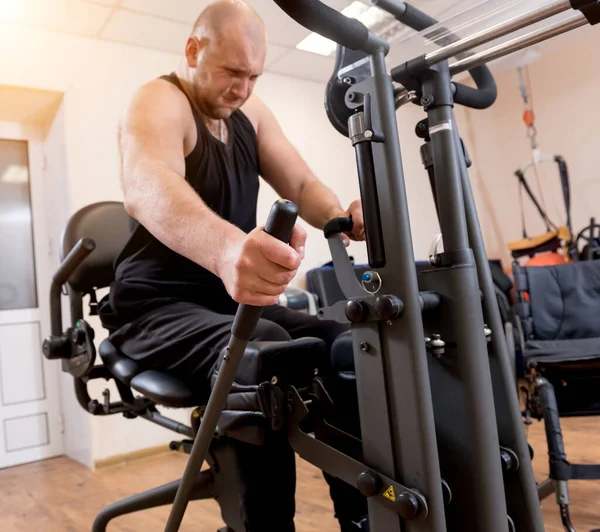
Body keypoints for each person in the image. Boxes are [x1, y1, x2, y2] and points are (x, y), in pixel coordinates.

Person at [108, 0, 368, 530]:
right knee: (265, 349)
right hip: (154, 309)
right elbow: (147, 185)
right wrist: (229, 250)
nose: (243, 88)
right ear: (192, 51)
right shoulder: (160, 100)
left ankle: (364, 518)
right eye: (231, 72)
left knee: (347, 342)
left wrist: (342, 217)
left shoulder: (251, 114)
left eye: (253, 75)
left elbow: (300, 184)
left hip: (226, 306)